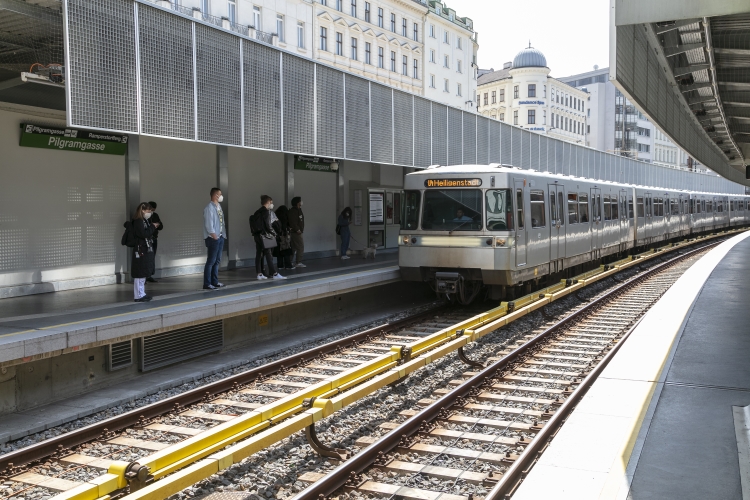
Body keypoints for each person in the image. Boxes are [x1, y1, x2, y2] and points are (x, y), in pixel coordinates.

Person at [130, 202, 159, 302]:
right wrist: (152, 227)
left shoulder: (144, 220)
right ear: (142, 210)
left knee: (143, 273)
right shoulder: (138, 221)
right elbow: (143, 234)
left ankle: (142, 293)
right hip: (140, 249)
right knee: (139, 273)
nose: (150, 213)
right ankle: (138, 295)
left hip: (145, 249)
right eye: (148, 211)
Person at [253, 195, 286, 280]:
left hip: (258, 236)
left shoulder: (257, 212)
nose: (272, 204)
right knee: (268, 254)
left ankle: (259, 273)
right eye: (271, 202)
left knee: (259, 254)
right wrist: (274, 233)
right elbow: (268, 225)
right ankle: (274, 273)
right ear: (268, 202)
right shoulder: (266, 212)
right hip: (266, 236)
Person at [203, 187, 226, 290]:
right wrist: (214, 236)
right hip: (213, 238)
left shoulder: (218, 206)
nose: (221, 196)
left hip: (220, 236)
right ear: (215, 195)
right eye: (220, 194)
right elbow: (209, 225)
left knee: (217, 261)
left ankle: (215, 281)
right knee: (211, 261)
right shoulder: (209, 208)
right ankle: (207, 283)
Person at [146, 201, 163, 283]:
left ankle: (149, 275)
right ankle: (144, 276)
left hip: (154, 238)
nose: (152, 211)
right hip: (147, 240)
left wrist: (157, 225)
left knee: (152, 257)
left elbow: (161, 226)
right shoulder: (144, 216)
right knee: (146, 257)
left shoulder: (155, 215)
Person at [273, 205, 294, 270]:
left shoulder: (275, 217)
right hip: (284, 237)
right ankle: (288, 265)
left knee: (279, 252)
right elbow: (285, 227)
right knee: (286, 251)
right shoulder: (284, 218)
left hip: (277, 237)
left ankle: (280, 265)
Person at [288, 196, 306, 268]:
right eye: (300, 201)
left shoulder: (299, 210)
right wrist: (297, 229)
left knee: (293, 247)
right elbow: (293, 221)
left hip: (297, 231)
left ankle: (289, 261)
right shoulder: (293, 211)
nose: (301, 202)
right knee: (300, 246)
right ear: (297, 202)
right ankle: (298, 262)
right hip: (296, 232)